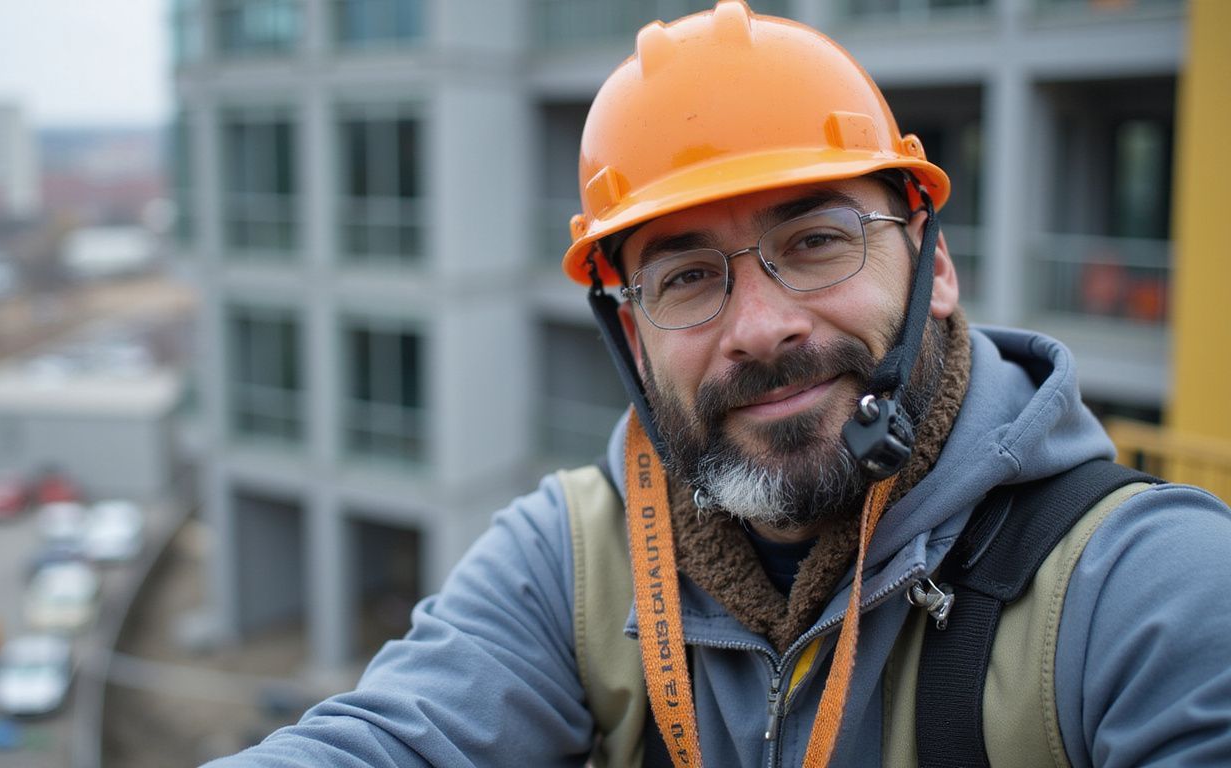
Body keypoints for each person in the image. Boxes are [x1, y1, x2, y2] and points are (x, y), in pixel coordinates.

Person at [205, 2, 1231, 766]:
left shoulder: (1150, 594)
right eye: (688, 278)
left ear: (937, 269)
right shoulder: (575, 565)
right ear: (632, 338)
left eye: (818, 241)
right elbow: (387, 744)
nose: (758, 328)